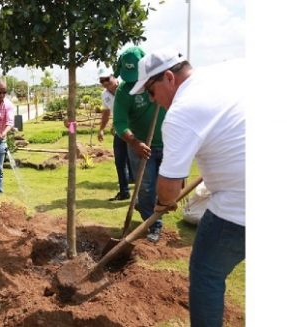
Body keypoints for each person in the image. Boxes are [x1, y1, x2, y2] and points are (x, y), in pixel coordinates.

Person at [130, 49, 245, 327]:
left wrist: (162, 202)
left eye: (151, 91)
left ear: (169, 77)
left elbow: (169, 189)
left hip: (239, 208)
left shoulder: (182, 111)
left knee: (206, 272)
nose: (153, 101)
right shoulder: (226, 74)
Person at [113, 46, 167, 242]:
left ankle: (145, 206)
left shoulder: (160, 81)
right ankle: (153, 224)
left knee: (166, 186)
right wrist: (134, 142)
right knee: (145, 186)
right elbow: (119, 123)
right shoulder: (124, 91)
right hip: (140, 146)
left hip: (167, 143)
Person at [97, 66, 133, 201]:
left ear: (114, 77)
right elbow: (106, 112)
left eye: (107, 79)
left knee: (138, 161)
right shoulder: (104, 95)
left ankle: (143, 194)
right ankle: (124, 192)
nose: (105, 83)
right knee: (119, 161)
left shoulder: (126, 88)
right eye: (102, 81)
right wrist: (101, 129)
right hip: (120, 132)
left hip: (134, 131)